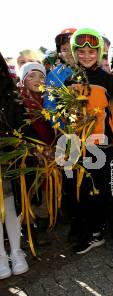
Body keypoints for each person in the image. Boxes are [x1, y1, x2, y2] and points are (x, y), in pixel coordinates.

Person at [68, 28, 113, 263]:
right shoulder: (70, 79)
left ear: (99, 52)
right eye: (80, 51)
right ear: (74, 53)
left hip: (103, 147)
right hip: (78, 148)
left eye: (91, 51)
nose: (86, 55)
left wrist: (112, 142)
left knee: (111, 195)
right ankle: (95, 233)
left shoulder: (107, 80)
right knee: (86, 195)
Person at [0, 52, 31, 279]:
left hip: (8, 159)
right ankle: (1, 257)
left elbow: (22, 124)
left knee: (10, 207)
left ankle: (16, 252)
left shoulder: (9, 94)